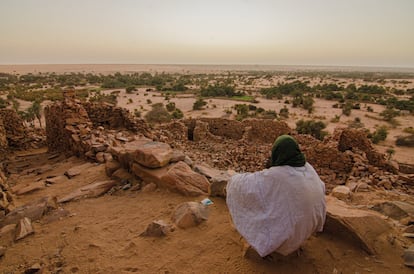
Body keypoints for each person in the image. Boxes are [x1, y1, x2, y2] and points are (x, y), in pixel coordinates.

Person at [226, 135, 326, 258]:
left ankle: (272, 246)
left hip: (290, 237)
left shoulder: (277, 175)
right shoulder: (308, 168)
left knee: (245, 196)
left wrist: (233, 179)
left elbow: (248, 184)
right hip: (308, 228)